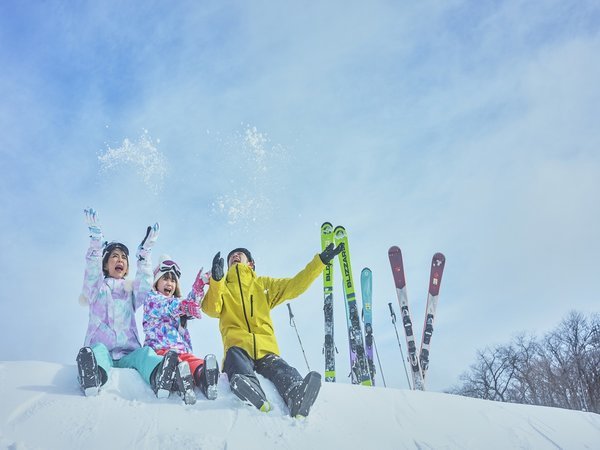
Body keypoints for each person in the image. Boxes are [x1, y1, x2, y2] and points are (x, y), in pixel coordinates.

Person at [201, 244, 343, 417]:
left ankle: (296, 393)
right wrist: (216, 281)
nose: (235, 256)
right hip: (238, 345)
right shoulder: (223, 287)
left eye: (240, 254)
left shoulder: (263, 285)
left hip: (265, 349)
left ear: (251, 264)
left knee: (281, 368)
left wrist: (320, 262)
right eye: (231, 256)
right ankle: (249, 386)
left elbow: (293, 286)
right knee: (235, 358)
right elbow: (210, 309)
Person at [76, 208, 179, 398]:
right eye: (114, 256)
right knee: (96, 351)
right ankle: (93, 375)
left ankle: (160, 376)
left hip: (128, 353)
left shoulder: (130, 291)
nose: (120, 259)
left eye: (124, 257)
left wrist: (144, 254)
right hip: (102, 348)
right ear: (105, 264)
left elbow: (146, 285)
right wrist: (96, 241)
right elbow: (91, 271)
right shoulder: (97, 289)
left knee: (145, 354)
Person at [142, 255, 219, 405]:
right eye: (165, 279)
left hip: (182, 352)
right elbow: (168, 305)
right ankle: (182, 381)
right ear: (156, 282)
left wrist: (199, 286)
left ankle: (204, 376)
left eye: (173, 280)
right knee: (174, 361)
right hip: (160, 350)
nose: (169, 283)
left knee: (193, 361)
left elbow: (189, 305)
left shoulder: (177, 302)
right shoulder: (152, 299)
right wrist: (183, 306)